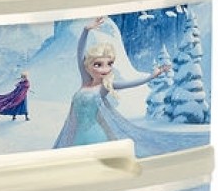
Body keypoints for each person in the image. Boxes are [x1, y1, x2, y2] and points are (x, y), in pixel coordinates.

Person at [53, 18, 170, 150]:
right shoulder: (86, 81)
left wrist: (151, 76)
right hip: (78, 136)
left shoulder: (104, 86)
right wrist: (86, 31)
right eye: (98, 65)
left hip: (96, 135)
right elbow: (80, 54)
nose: (105, 69)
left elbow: (130, 84)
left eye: (109, 64)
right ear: (88, 66)